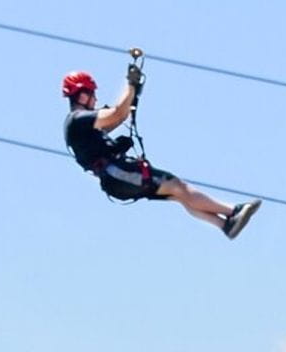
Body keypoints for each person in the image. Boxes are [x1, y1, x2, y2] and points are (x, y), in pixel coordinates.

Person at [62, 67, 259, 239]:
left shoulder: (81, 127)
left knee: (176, 193)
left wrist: (134, 93)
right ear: (81, 95)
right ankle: (233, 212)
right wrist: (130, 84)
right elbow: (117, 113)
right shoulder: (78, 119)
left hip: (117, 178)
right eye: (92, 94)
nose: (95, 98)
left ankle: (224, 225)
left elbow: (117, 118)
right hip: (117, 174)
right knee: (176, 185)